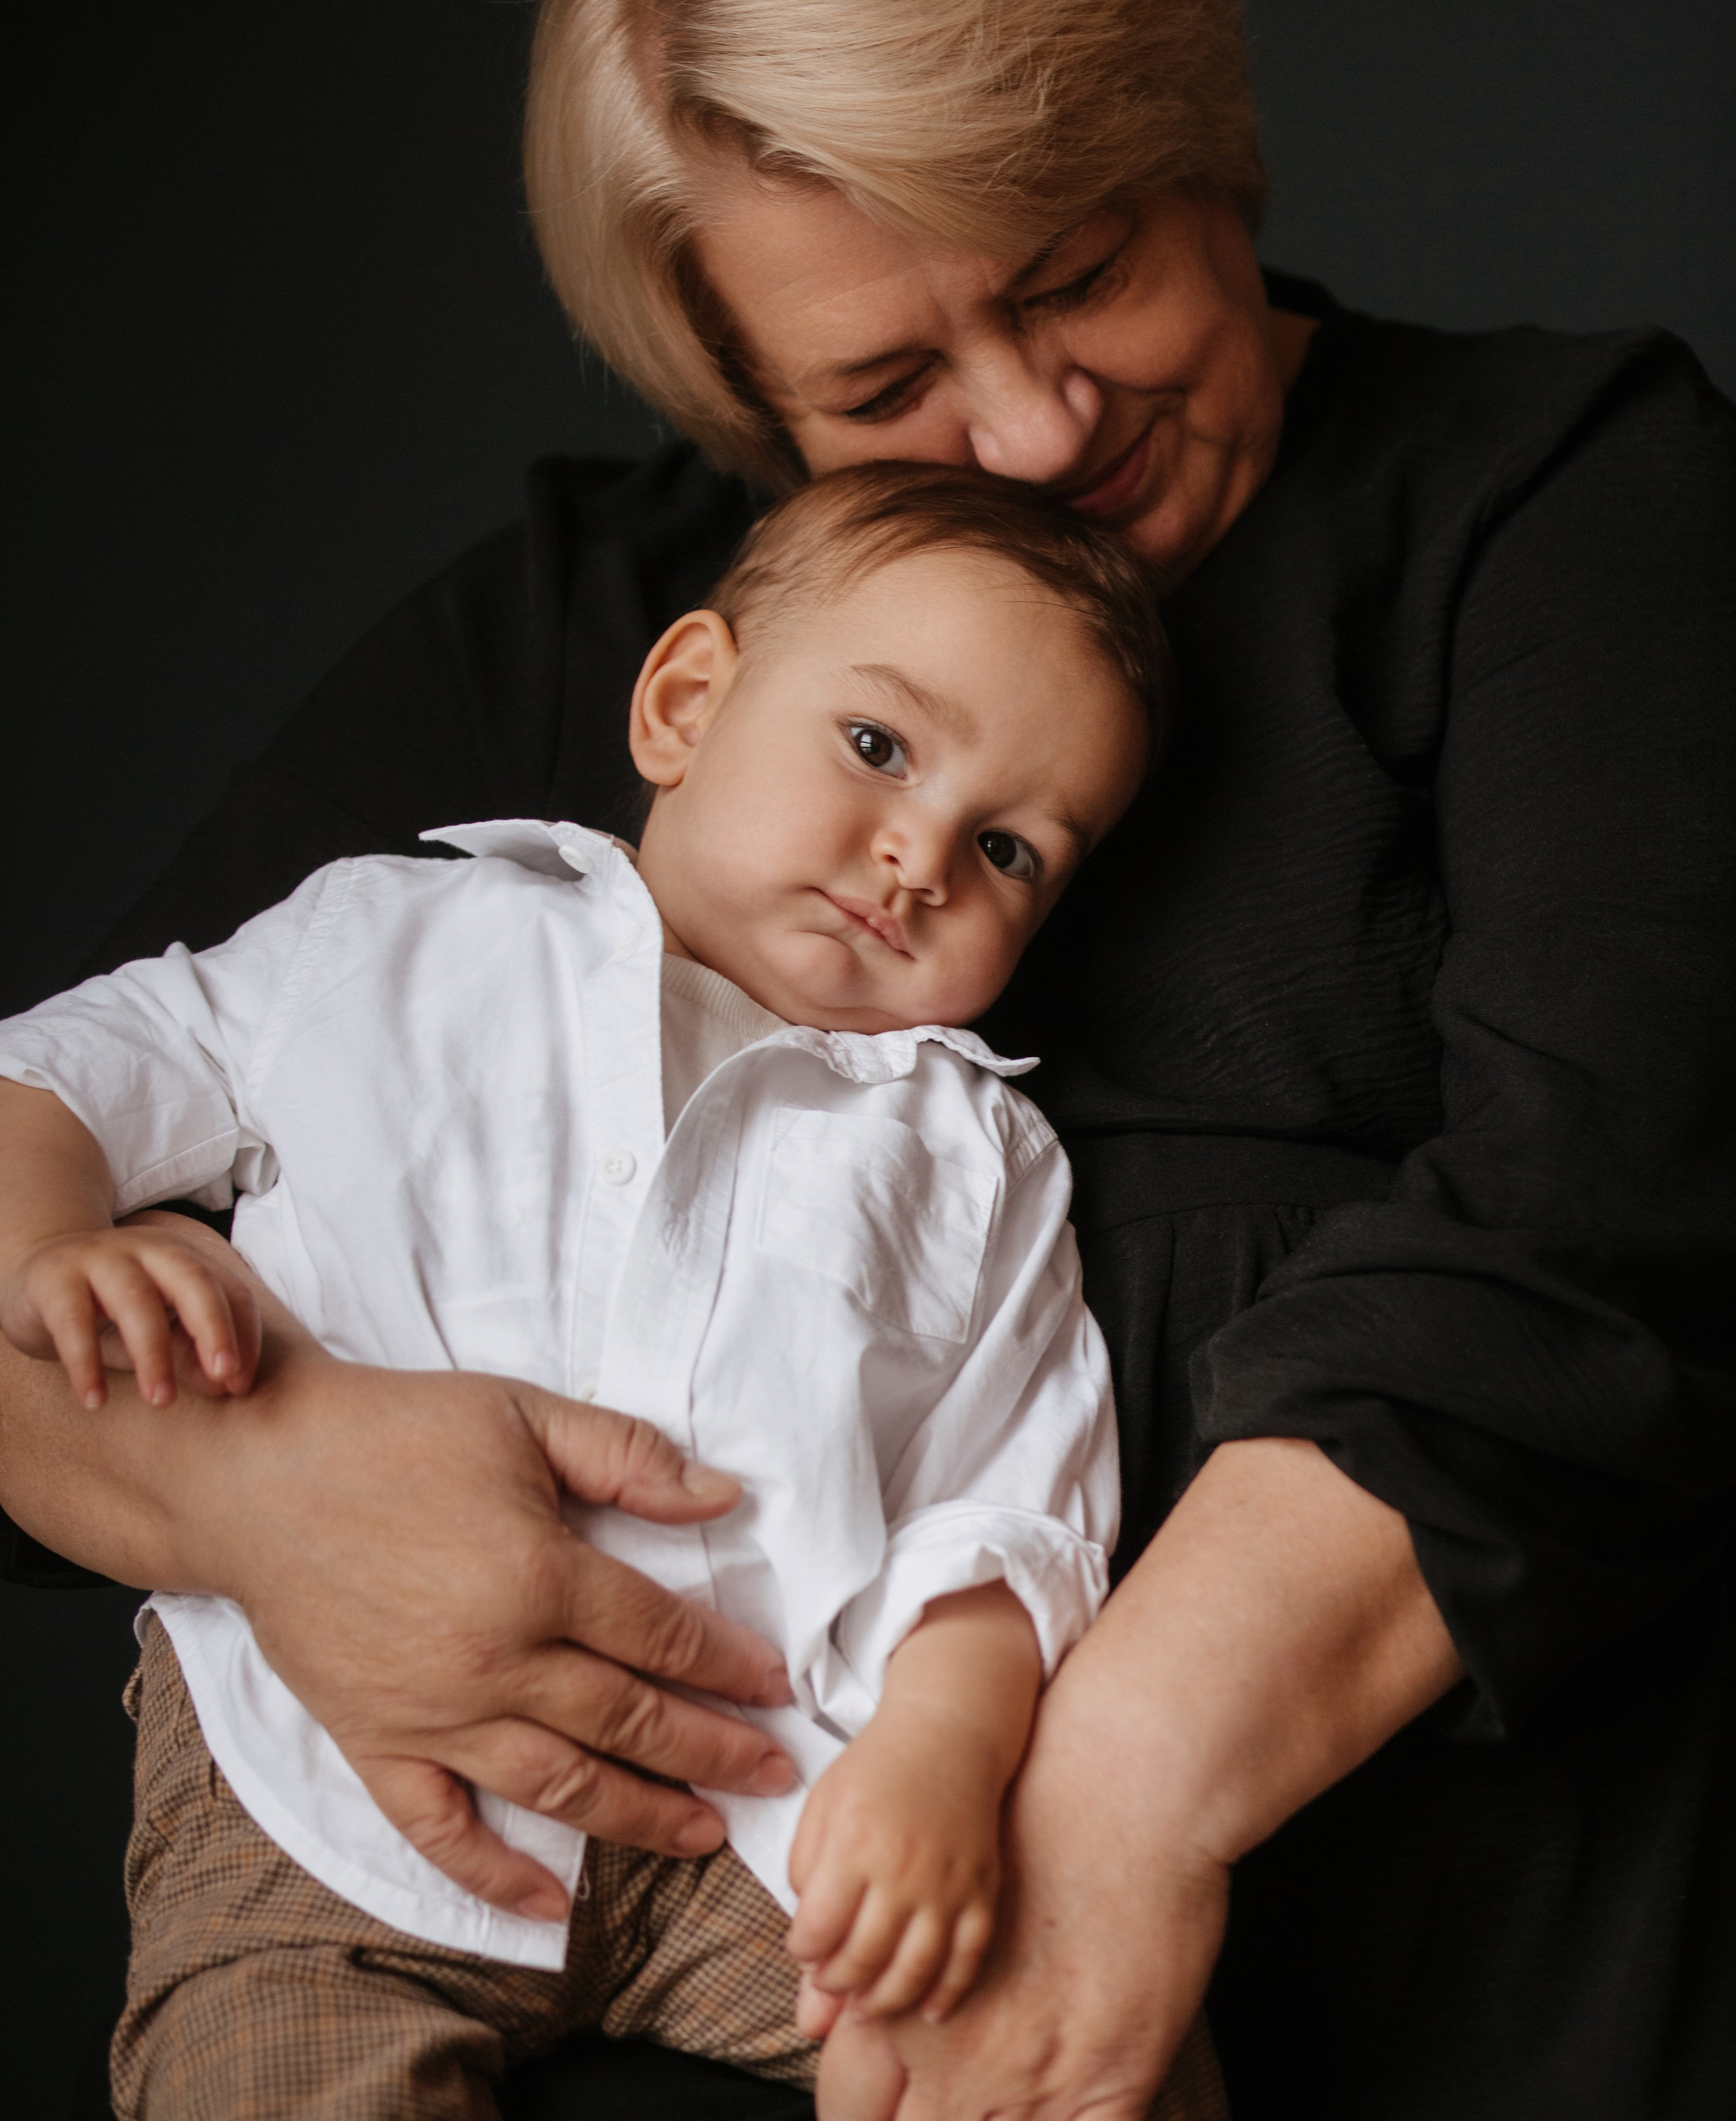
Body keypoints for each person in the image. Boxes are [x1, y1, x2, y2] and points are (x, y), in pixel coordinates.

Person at [1, 0, 1731, 2121]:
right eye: (883, 392)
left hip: (1486, 1985)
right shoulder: (582, 636)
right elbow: (61, 1146)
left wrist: (1106, 1781)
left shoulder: (1562, 505)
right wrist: (256, 1507)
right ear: (736, 410)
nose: (1030, 434)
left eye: (1079, 273)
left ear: (1205, 139)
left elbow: (1619, 1223)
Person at [0, 464, 1231, 2121]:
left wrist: (943, 1753)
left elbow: (1009, 1501)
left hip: (770, 1817)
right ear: (684, 701)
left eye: (1008, 848)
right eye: (878, 748)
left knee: (1076, 2053)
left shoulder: (972, 1147)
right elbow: (72, 1068)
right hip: (335, 1790)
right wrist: (51, 1238)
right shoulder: (395, 936)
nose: (915, 856)